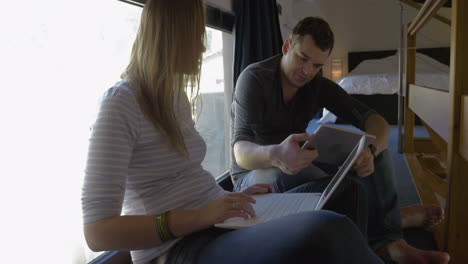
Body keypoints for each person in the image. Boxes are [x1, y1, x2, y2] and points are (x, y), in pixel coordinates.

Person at [81, 1, 386, 264]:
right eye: (198, 36)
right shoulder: (120, 103)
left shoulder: (174, 98)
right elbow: (97, 233)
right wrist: (202, 215)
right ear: (173, 36)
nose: (202, 47)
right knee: (327, 228)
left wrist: (228, 196)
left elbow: (185, 180)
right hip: (178, 248)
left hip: (218, 220)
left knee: (347, 193)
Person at [231, 16, 449, 264]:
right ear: (286, 47)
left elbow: (375, 120)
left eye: (316, 65)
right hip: (255, 174)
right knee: (297, 178)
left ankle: (390, 242)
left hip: (302, 161)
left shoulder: (318, 84)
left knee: (375, 157)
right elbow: (241, 152)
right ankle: (394, 219)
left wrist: (370, 149)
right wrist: (276, 155)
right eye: (302, 58)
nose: (307, 71)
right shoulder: (254, 79)